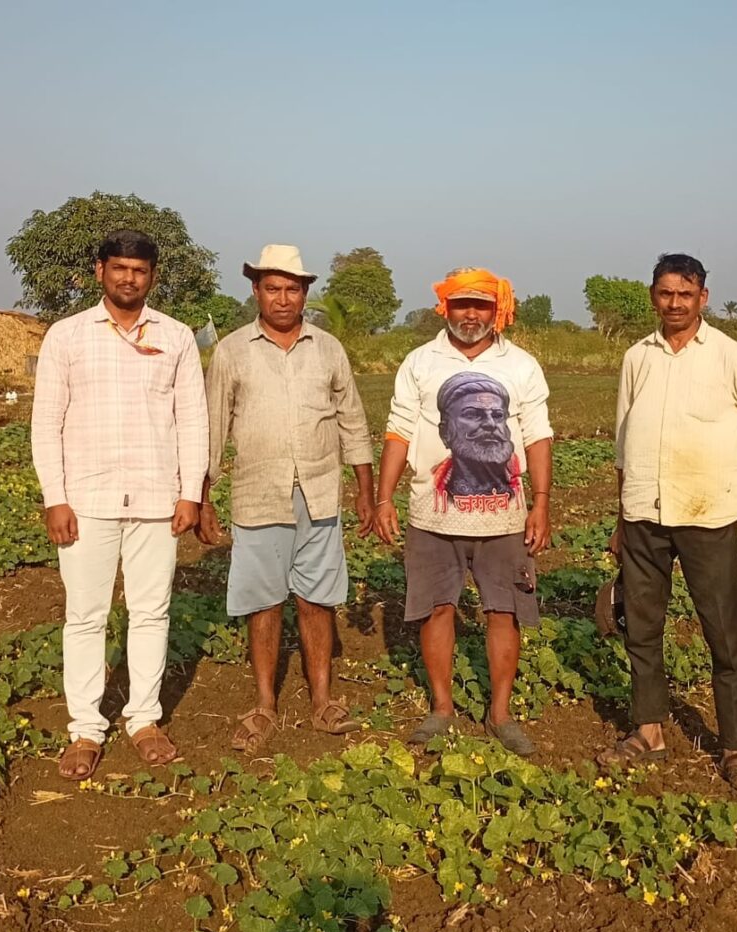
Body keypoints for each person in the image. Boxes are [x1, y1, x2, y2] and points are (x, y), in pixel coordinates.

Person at [603, 253, 737, 795]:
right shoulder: (638, 357)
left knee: (723, 635)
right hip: (643, 515)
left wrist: (731, 473)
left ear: (703, 298)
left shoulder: (732, 358)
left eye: (685, 294)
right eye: (665, 294)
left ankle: (736, 749)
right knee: (641, 629)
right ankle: (649, 731)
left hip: (709, 516)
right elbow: (623, 442)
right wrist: (621, 516)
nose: (675, 304)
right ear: (653, 296)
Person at [31, 229, 208, 780]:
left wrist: (189, 491)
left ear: (153, 277)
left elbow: (192, 420)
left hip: (157, 498)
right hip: (86, 499)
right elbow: (46, 423)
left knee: (151, 612)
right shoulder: (67, 336)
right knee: (85, 616)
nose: (129, 278)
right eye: (120, 268)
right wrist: (55, 499)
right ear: (99, 271)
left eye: (140, 270)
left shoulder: (176, 337)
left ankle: (144, 719)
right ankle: (85, 728)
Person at [196, 244, 374, 752]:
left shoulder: (328, 348)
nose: (281, 298)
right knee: (264, 600)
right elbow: (214, 427)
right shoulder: (232, 351)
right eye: (271, 288)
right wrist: (203, 497)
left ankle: (322, 699)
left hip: (319, 491)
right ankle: (264, 704)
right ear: (255, 290)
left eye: (291, 289)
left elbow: (352, 420)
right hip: (258, 492)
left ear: (304, 293)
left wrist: (364, 489)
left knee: (317, 598)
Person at [375, 267, 553, 755]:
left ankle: (500, 714)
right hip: (432, 518)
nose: (471, 314)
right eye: (461, 305)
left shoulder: (521, 366)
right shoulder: (420, 362)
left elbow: (538, 435)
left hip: (506, 518)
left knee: (504, 611)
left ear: (498, 312)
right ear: (444, 308)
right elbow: (399, 431)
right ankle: (442, 709)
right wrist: (384, 497)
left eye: (482, 306)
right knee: (437, 609)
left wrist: (540, 502)